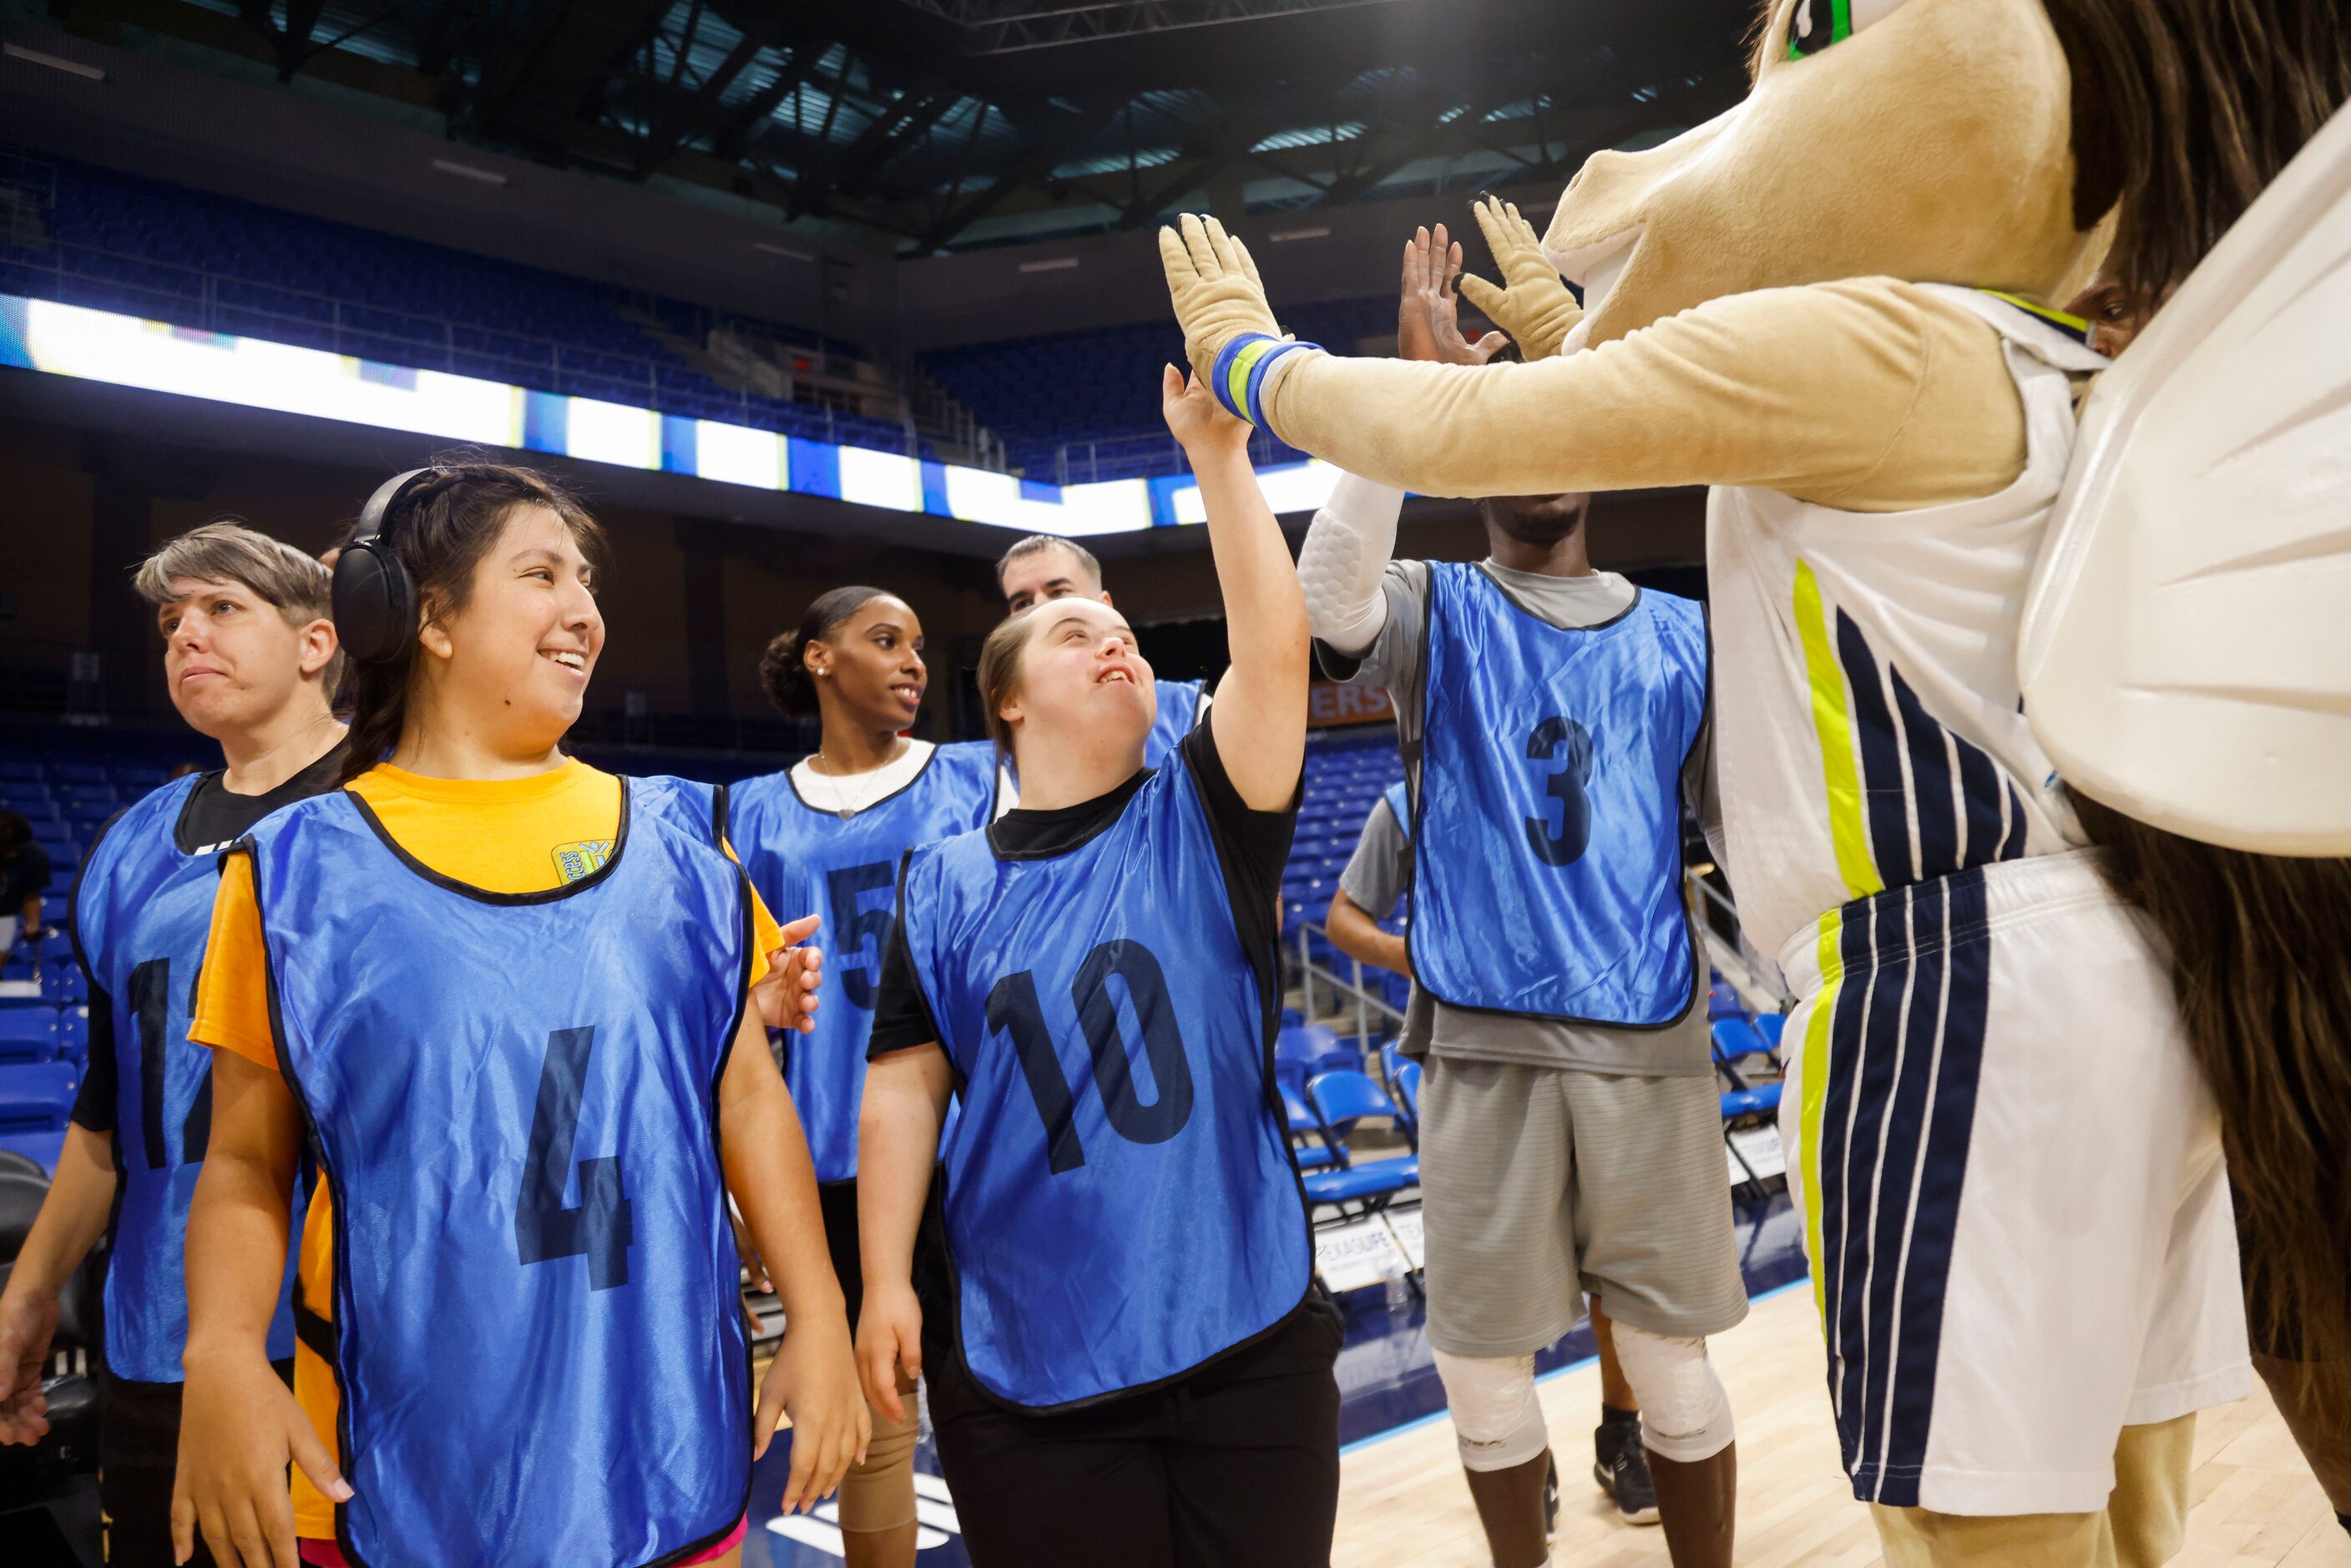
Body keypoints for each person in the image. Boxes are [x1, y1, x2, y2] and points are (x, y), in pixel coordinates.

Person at [169, 461, 867, 1568]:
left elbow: (746, 1096)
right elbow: (247, 1163)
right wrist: (218, 1353)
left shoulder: (683, 841)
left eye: (586, 581)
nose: (583, 610)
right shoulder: (296, 872)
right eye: (540, 573)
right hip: (396, 1463)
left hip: (667, 1444)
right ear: (427, 618)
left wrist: (822, 1314)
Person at [1299, 225, 1742, 1568]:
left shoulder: (1683, 633)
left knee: (1670, 1361)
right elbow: (1327, 603)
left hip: (1648, 1040)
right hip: (1481, 1047)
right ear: (1474, 465)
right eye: (1504, 434)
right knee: (1483, 1368)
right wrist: (1410, 407)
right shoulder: (1435, 608)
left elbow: (1738, 832)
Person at [856, 367, 1336, 1568]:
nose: (1116, 646)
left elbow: (1275, 653)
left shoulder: (1205, 811)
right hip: (1027, 1361)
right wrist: (882, 1282)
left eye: (1123, 634)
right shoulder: (947, 880)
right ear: (1008, 700)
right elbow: (903, 1090)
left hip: (1247, 1328)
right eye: (1077, 636)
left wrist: (1219, 458)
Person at [2060, 267, 2351, 1542]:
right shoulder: (2072, 572)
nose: (2109, 332)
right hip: (2252, 1074)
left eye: (2134, 300)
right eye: (2096, 313)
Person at [0, 524, 346, 1567]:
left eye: (223, 608)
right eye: (170, 620)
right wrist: (27, 1299)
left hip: (352, 1341)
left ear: (316, 643)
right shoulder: (125, 848)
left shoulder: (393, 816)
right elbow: (106, 1118)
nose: (187, 634)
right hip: (154, 1337)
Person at [726, 585, 999, 1568]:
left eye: (921, 645)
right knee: (875, 1427)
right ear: (817, 658)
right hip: (825, 1158)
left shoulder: (976, 778)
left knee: (995, 1413)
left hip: (970, 1149)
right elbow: (738, 1029)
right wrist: (750, 1197)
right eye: (885, 641)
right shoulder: (749, 813)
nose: (913, 662)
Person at [995, 534, 1208, 767]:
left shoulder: (1189, 713)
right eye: (1022, 603)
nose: (1040, 607)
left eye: (1058, 592)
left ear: (1105, 605)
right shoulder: (980, 781)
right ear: (1010, 703)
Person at [0, 812, 49, 959]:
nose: (14, 855)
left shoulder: (35, 856)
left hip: (5, 915)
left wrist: (33, 923)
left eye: (18, 850)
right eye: (9, 850)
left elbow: (31, 895)